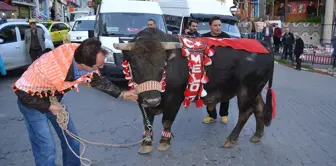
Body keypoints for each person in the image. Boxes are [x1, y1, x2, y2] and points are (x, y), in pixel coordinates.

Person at [12, 38, 138, 166]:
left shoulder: (83, 52)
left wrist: (121, 93)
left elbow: (95, 79)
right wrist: (49, 106)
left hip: (53, 98)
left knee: (73, 140)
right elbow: (21, 91)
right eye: (98, 66)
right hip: (31, 101)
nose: (102, 67)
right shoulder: (50, 67)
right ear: (84, 65)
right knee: (46, 147)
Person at [201, 16, 230, 124]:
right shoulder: (204, 38)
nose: (218, 28)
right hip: (209, 71)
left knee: (225, 93)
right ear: (210, 26)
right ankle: (212, 116)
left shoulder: (227, 38)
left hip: (224, 70)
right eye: (215, 25)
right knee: (208, 93)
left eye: (219, 25)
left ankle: (224, 114)